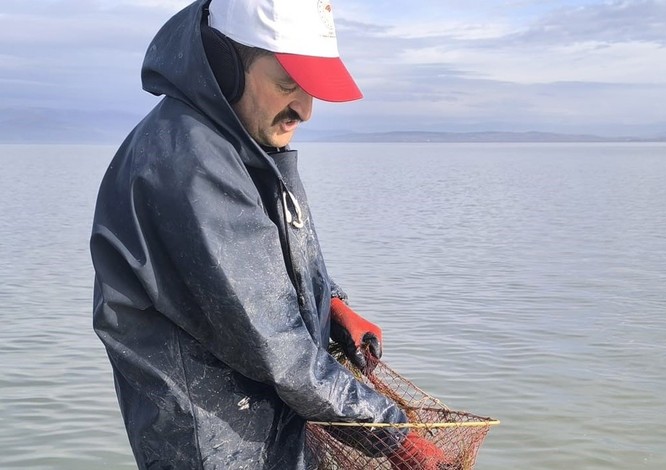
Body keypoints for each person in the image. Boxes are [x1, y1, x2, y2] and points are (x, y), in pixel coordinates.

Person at [90, 0, 445, 468]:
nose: (305, 109)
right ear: (225, 64)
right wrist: (395, 437)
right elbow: (280, 348)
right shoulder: (191, 165)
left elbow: (265, 261)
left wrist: (332, 303)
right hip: (215, 446)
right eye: (288, 85)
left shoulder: (236, 141)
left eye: (312, 89)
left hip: (269, 434)